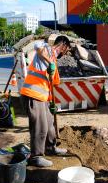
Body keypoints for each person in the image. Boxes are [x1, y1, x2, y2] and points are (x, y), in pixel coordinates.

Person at [20, 35, 71, 167]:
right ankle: (36, 156)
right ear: (63, 45)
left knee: (49, 125)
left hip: (43, 98)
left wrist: (51, 103)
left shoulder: (53, 58)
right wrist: (50, 62)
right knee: (40, 127)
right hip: (32, 94)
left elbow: (51, 84)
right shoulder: (48, 49)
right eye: (67, 49)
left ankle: (50, 147)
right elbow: (37, 46)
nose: (66, 53)